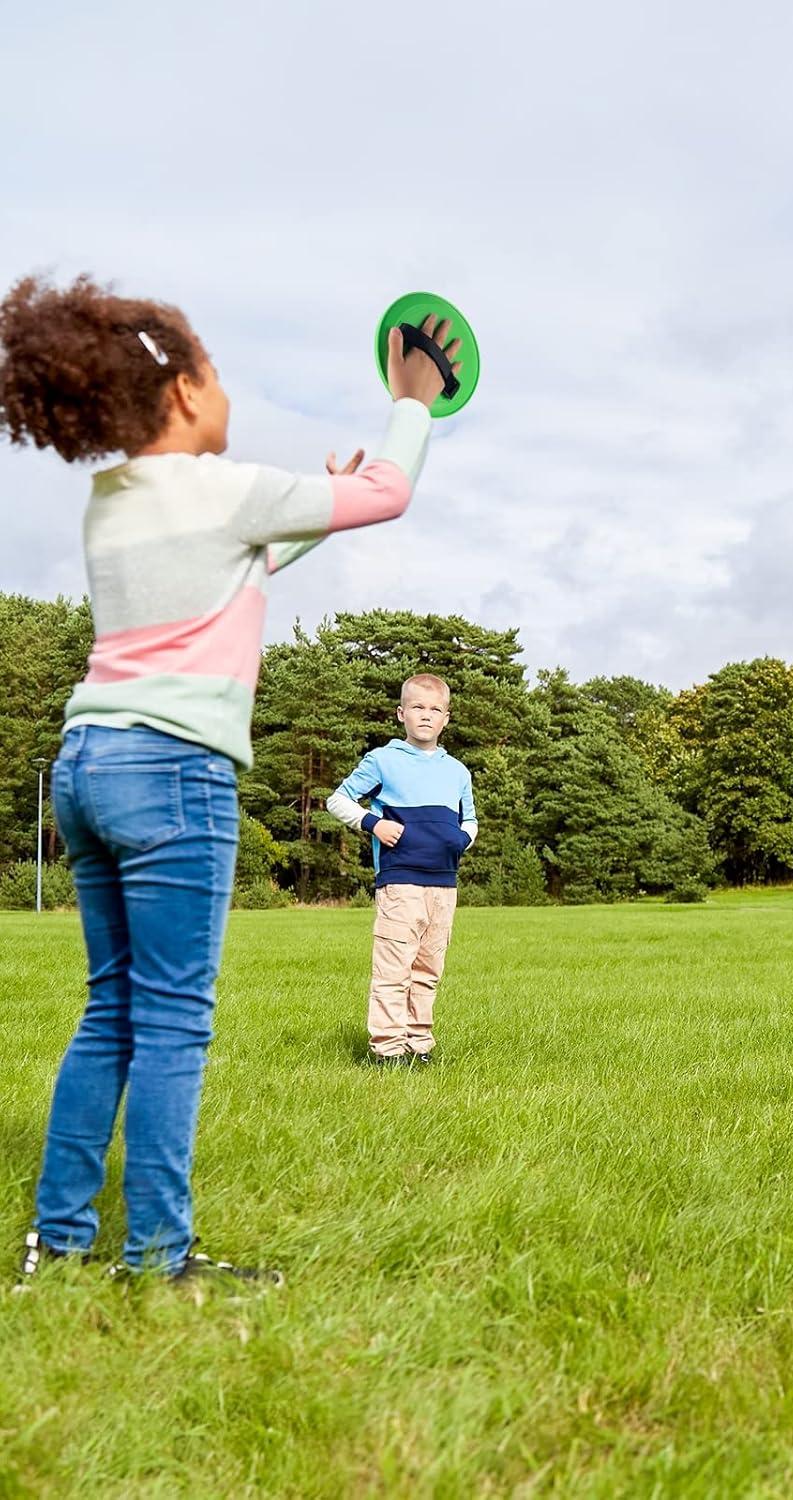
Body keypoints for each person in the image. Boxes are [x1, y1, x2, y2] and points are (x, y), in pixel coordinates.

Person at [1, 273, 459, 1289]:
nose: (226, 392)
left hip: (88, 768)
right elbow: (386, 494)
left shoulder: (109, 503)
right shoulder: (228, 488)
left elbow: (224, 577)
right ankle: (159, 1257)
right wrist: (414, 401)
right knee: (171, 1021)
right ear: (180, 394)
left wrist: (301, 520)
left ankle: (58, 1240)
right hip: (173, 775)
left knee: (109, 1008)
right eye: (215, 371)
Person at [327, 674, 476, 1063]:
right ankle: (388, 1049)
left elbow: (470, 822)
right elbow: (337, 800)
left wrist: (461, 841)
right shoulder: (382, 760)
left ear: (446, 718)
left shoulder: (458, 772)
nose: (426, 716)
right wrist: (373, 824)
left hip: (444, 886)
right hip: (399, 883)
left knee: (428, 970)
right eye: (417, 708)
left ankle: (418, 1044)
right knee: (394, 968)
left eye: (435, 710)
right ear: (401, 713)